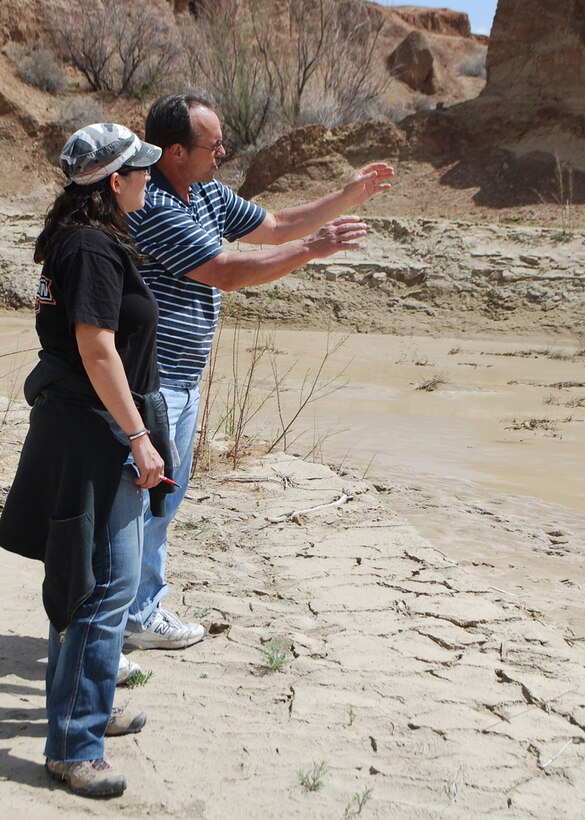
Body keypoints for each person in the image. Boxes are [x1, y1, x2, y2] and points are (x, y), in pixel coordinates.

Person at [124, 91, 394, 651]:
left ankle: (138, 611)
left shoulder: (203, 193)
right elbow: (224, 269)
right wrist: (311, 250)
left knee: (162, 499)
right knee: (139, 502)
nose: (224, 150)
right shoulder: (152, 202)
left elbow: (273, 224)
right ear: (175, 151)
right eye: (212, 143)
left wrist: (347, 195)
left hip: (181, 381)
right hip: (150, 382)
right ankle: (127, 616)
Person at [0, 124, 171, 798]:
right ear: (110, 182)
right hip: (91, 433)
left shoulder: (81, 241)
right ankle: (74, 744)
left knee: (91, 581)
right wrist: (137, 436)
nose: (148, 179)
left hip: (83, 426)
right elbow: (96, 348)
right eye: (140, 170)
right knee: (100, 588)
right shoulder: (92, 248)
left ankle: (84, 707)